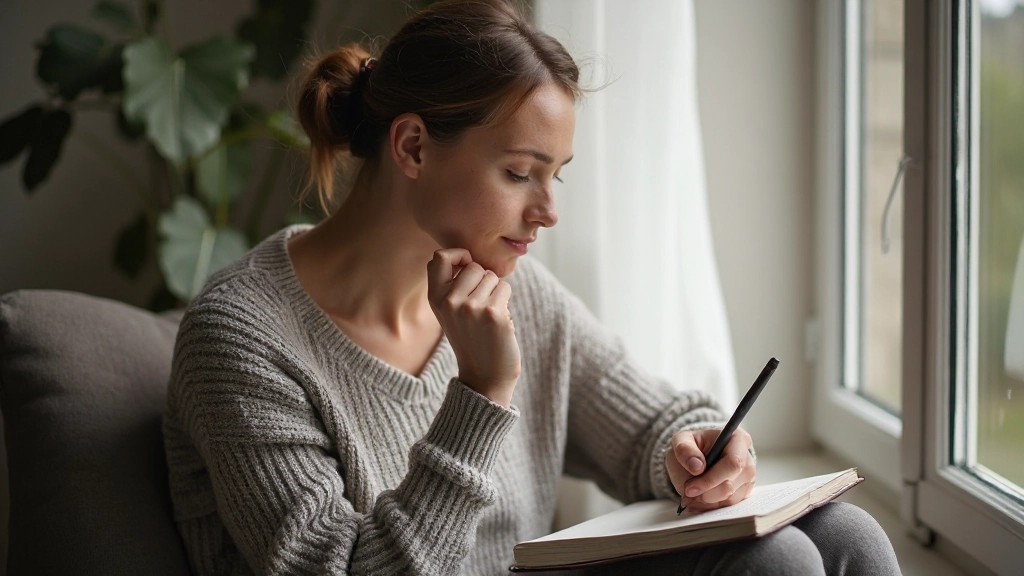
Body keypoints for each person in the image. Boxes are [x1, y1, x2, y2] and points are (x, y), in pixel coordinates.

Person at [162, 0, 902, 574]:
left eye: (557, 175)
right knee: (778, 567)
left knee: (846, 537)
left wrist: (701, 451)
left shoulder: (523, 295)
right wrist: (480, 394)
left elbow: (656, 426)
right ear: (413, 145)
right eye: (520, 173)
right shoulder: (240, 338)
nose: (548, 212)